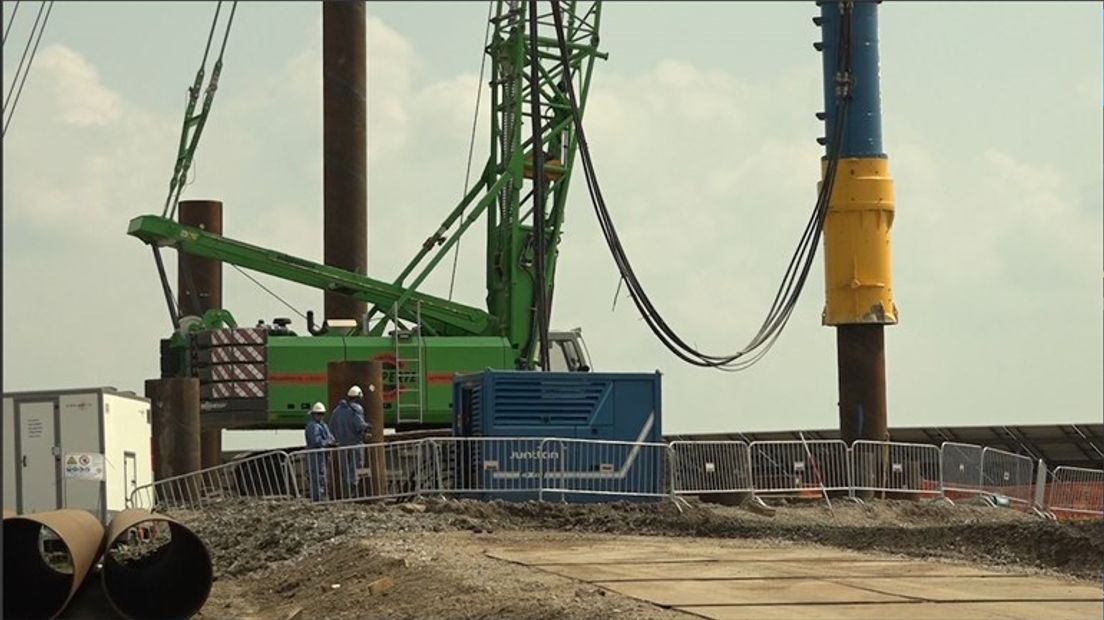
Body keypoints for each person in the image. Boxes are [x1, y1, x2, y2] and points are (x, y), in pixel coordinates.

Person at [331, 385, 371, 498]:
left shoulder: (337, 410)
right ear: (358, 397)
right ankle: (354, 493)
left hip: (342, 445)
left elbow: (332, 428)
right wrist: (368, 426)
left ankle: (346, 493)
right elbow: (359, 425)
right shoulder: (356, 409)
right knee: (357, 468)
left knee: (346, 470)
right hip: (355, 444)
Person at [304, 402, 336, 501]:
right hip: (315, 455)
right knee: (317, 477)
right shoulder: (312, 426)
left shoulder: (322, 425)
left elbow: (330, 437)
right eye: (318, 414)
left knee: (321, 476)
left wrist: (330, 441)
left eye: (322, 414)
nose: (320, 416)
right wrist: (327, 442)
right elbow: (316, 441)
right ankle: (318, 498)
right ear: (313, 414)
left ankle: (321, 496)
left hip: (321, 455)